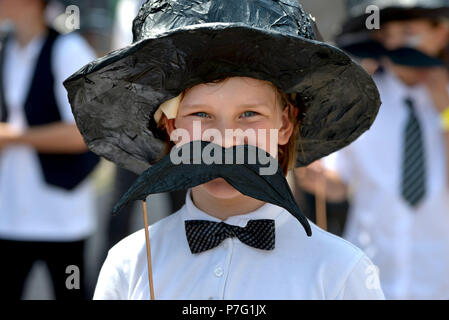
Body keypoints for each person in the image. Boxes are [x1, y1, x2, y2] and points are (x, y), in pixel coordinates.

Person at [63, 0, 385, 300]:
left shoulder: (340, 272)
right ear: (172, 127)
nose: (225, 140)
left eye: (249, 115)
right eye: (201, 115)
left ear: (285, 125)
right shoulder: (128, 264)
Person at [298, 0, 449, 299]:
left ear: (441, 33)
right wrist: (306, 165)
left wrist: (445, 111)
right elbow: (339, 185)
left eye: (409, 32)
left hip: (438, 281)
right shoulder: (364, 102)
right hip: (370, 281)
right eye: (388, 35)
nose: (397, 44)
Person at [0, 0, 99, 299]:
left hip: (62, 216)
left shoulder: (68, 50)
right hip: (9, 213)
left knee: (70, 292)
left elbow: (83, 133)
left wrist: (13, 138)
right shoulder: (7, 48)